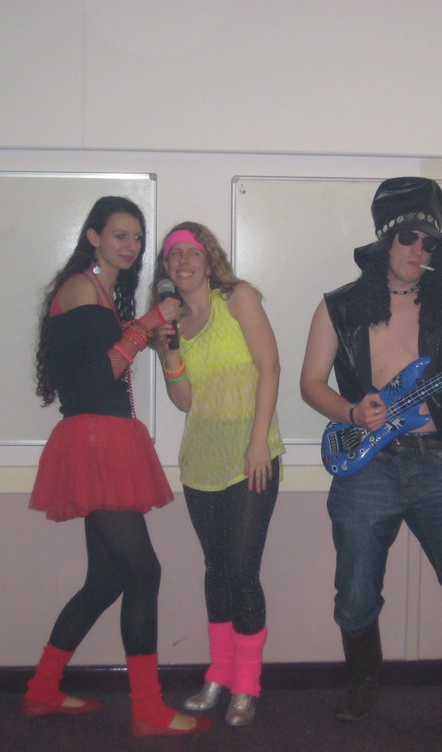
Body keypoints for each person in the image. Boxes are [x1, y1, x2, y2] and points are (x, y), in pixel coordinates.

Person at [300, 177, 442, 752]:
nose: (421, 251)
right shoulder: (338, 306)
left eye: (430, 243)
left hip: (435, 459)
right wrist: (351, 411)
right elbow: (310, 383)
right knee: (355, 593)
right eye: (411, 239)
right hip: (367, 462)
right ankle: (364, 682)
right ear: (386, 241)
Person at [23, 196, 210, 738]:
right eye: (120, 235)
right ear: (93, 237)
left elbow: (102, 361)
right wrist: (147, 323)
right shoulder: (83, 289)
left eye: (137, 238)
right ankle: (148, 707)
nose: (131, 246)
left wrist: (144, 333)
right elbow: (92, 380)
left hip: (100, 439)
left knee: (107, 578)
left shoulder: (98, 294)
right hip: (95, 441)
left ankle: (42, 690)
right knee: (143, 572)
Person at [150, 222, 285, 727]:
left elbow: (270, 367)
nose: (183, 262)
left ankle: (246, 684)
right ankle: (218, 674)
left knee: (242, 571)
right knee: (216, 570)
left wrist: (258, 442)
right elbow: (185, 401)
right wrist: (168, 352)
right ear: (166, 268)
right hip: (200, 463)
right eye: (174, 256)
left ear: (209, 259)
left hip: (251, 457)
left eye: (192, 253)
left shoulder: (238, 298)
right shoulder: (175, 323)